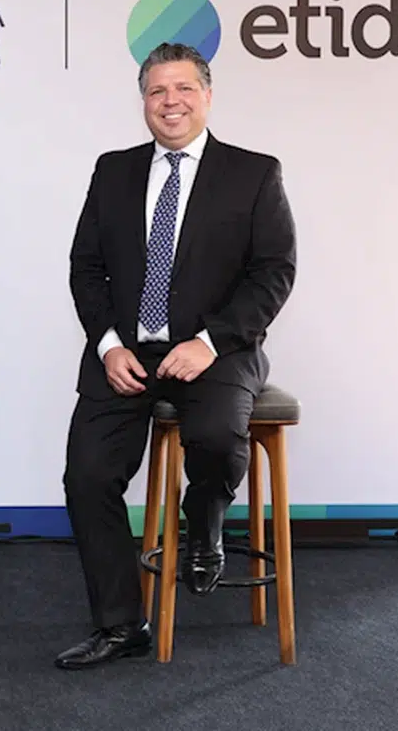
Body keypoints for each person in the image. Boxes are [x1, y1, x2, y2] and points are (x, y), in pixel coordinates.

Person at [56, 42, 296, 670]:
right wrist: (108, 345)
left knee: (215, 438)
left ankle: (205, 516)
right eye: (158, 91)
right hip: (127, 352)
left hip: (218, 350)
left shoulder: (253, 173)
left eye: (185, 88)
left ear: (207, 96)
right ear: (143, 101)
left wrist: (209, 342)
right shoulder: (113, 171)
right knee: (87, 475)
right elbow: (86, 268)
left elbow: (274, 272)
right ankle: (121, 624)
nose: (171, 102)